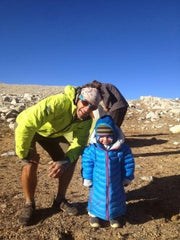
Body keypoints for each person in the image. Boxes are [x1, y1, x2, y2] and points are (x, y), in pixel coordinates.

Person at [15, 84, 102, 226]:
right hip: (30, 128)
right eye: (85, 103)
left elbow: (79, 143)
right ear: (77, 98)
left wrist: (65, 161)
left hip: (52, 133)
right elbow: (26, 125)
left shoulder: (86, 120)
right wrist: (24, 154)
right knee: (30, 162)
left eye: (93, 107)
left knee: (70, 158)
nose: (87, 109)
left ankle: (60, 200)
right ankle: (29, 204)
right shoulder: (59, 102)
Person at [81, 115, 135, 228]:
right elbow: (87, 163)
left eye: (109, 136)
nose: (105, 140)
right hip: (97, 182)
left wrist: (127, 176)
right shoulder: (93, 149)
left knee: (115, 197)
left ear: (114, 134)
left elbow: (128, 163)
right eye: (101, 136)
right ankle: (94, 214)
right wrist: (87, 178)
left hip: (115, 182)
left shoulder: (122, 149)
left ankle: (114, 215)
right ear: (96, 135)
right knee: (96, 197)